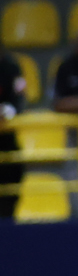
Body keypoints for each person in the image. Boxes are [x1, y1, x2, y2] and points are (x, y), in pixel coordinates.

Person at [0, 48, 25, 223]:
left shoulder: (11, 67)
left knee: (8, 200)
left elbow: (18, 100)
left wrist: (7, 111)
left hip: (7, 145)